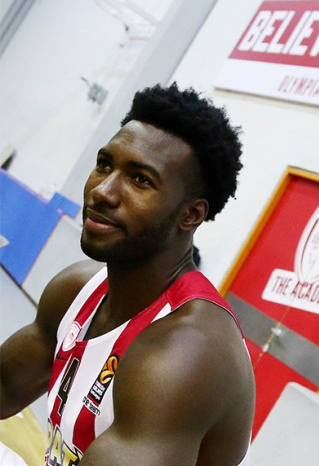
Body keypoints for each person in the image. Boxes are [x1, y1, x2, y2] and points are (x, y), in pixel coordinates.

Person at [0, 83, 255, 465]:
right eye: (105, 164)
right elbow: (5, 386)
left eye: (140, 180)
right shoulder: (76, 290)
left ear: (191, 215)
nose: (103, 191)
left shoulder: (189, 352)